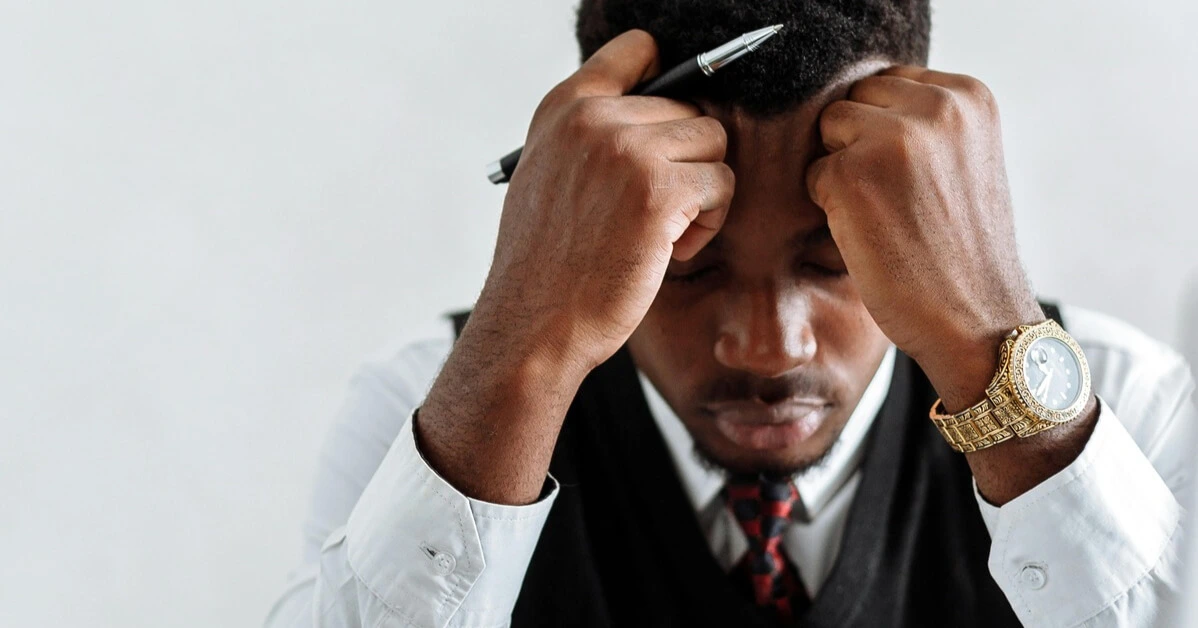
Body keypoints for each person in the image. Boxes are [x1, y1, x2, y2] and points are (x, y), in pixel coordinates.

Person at [265, 1, 1196, 626]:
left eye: (837, 260)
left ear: (941, 203)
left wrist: (1000, 349)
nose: (767, 345)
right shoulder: (425, 416)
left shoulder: (1127, 408)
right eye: (687, 266)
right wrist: (523, 347)